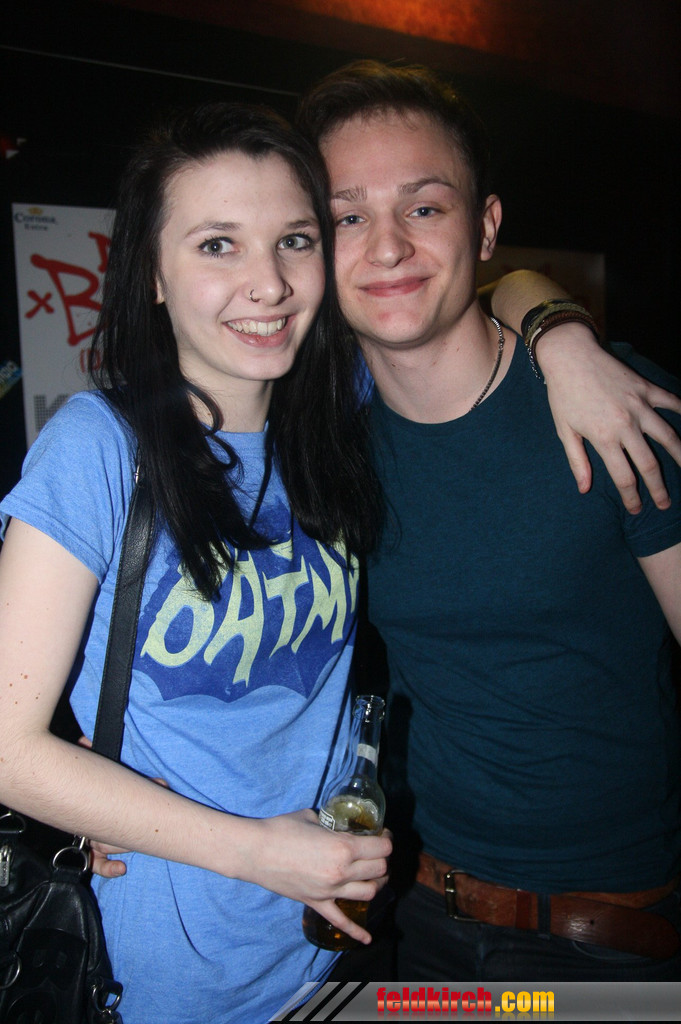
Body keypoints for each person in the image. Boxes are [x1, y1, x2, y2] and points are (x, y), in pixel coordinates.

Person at [0, 102, 393, 1023]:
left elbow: (474, 299)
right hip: (165, 974)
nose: (269, 284)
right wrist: (256, 852)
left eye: (294, 240)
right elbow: (6, 747)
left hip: (328, 948)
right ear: (152, 273)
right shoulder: (98, 448)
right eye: (218, 245)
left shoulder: (341, 410)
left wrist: (558, 328)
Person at [297, 60, 681, 981]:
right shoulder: (329, 444)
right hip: (422, 919)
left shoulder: (614, 406)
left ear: (484, 226)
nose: (387, 247)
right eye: (347, 217)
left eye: (424, 207)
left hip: (608, 940)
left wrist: (558, 330)